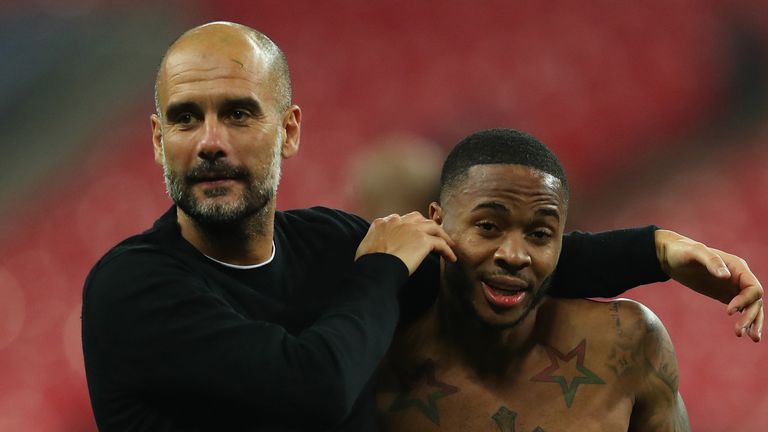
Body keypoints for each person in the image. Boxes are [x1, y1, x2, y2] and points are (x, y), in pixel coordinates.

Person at [81, 21, 763, 431]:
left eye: (237, 113)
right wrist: (382, 267)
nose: (209, 142)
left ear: (288, 131)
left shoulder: (324, 244)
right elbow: (309, 391)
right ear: (156, 140)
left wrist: (659, 250)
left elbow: (482, 263)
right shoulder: (132, 289)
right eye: (184, 118)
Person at [377, 128, 691, 431]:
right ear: (438, 221)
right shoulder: (376, 363)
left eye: (540, 234)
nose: (515, 255)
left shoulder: (630, 344)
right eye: (488, 226)